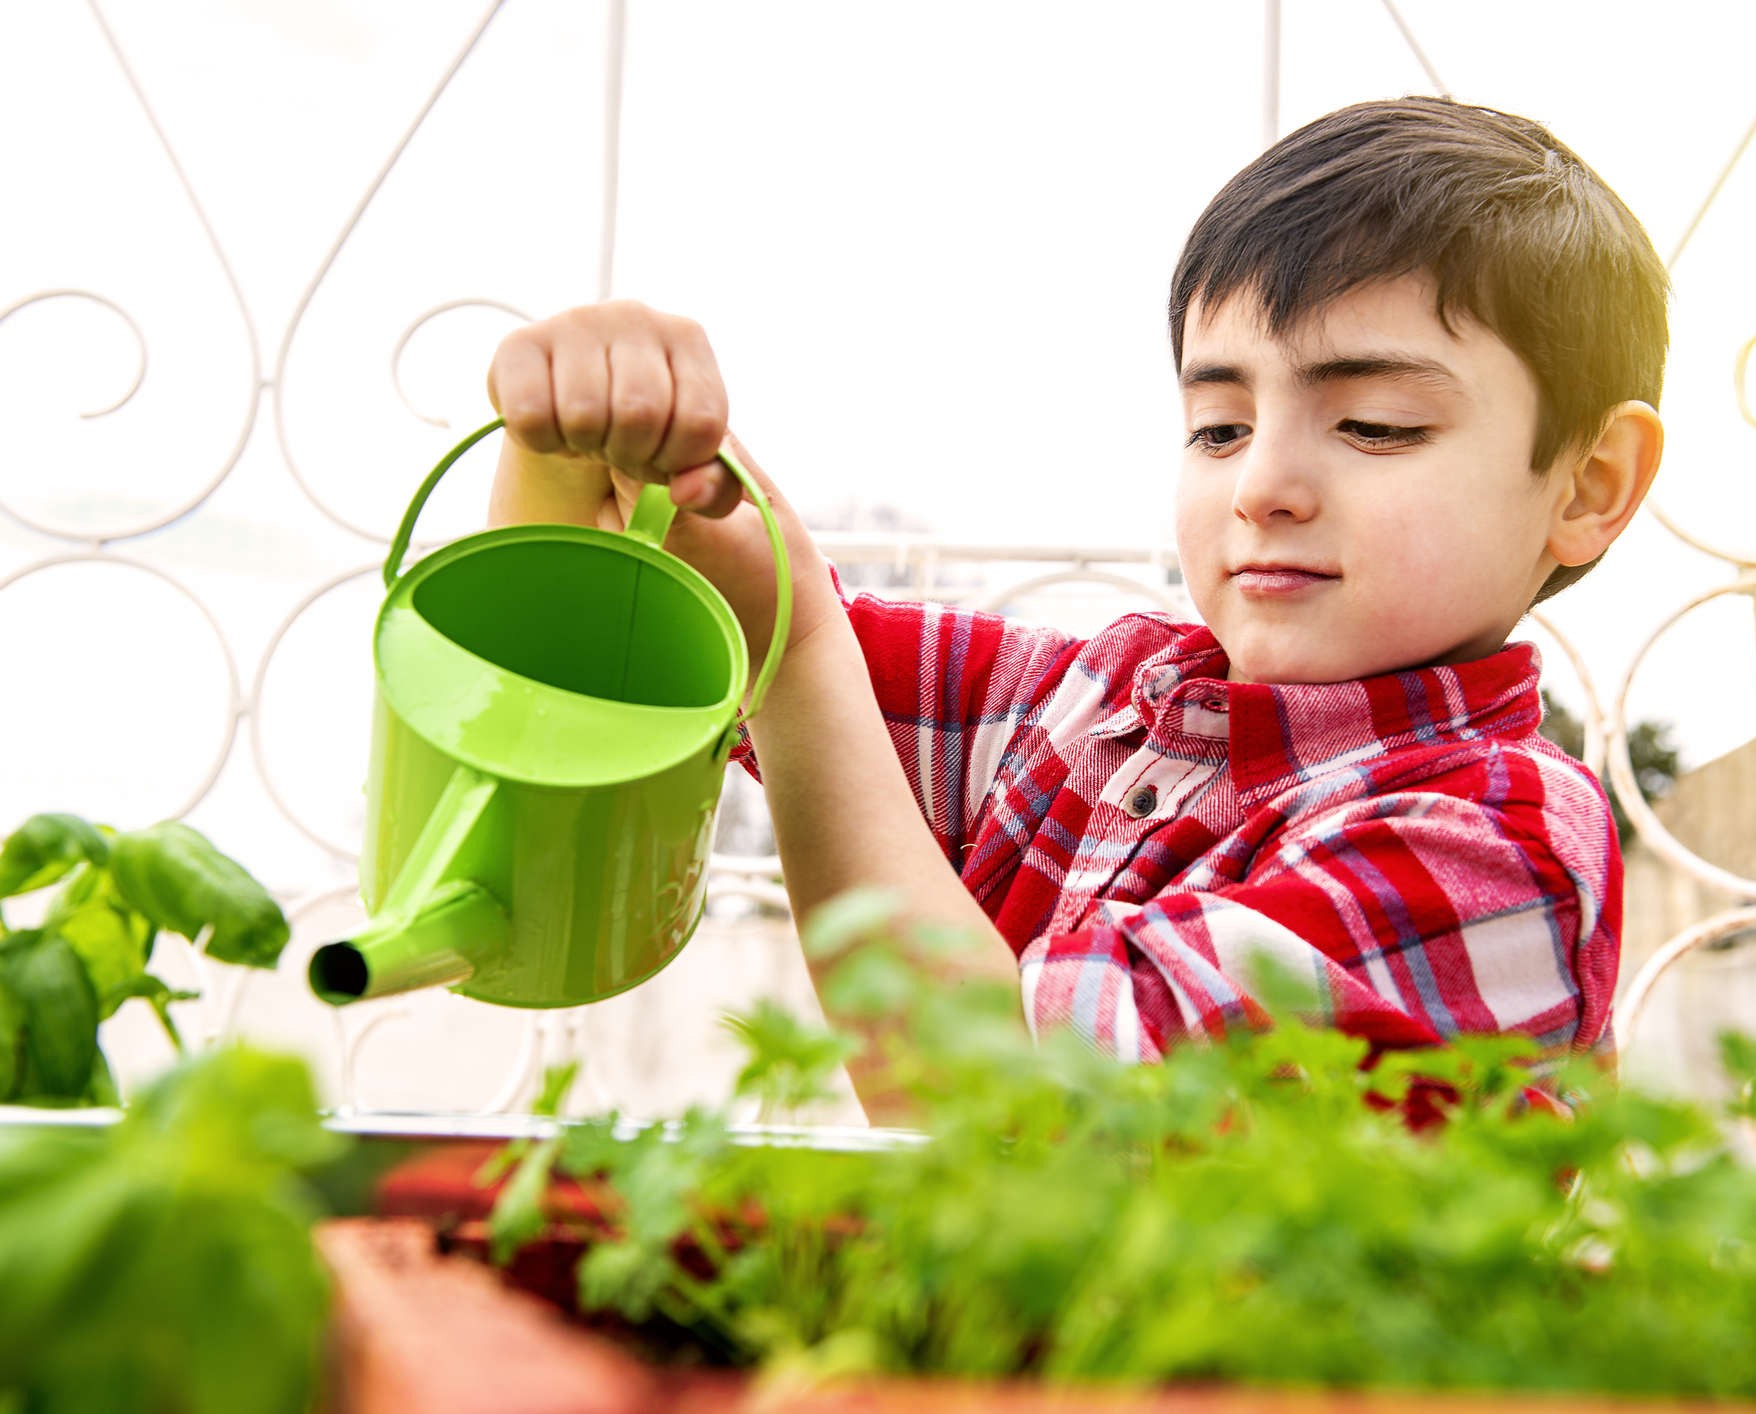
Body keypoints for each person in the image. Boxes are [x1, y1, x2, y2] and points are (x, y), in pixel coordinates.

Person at [485, 95, 1667, 1128]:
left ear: (1586, 485)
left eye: (1376, 426)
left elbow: (1005, 1117)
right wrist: (574, 438)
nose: (1261, 486)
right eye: (1218, 426)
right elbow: (615, 652)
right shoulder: (1100, 703)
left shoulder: (1494, 834)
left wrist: (792, 654)